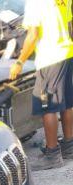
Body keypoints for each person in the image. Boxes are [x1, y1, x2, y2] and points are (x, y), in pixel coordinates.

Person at [10, 0, 73, 170]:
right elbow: (69, 23)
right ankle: (69, 147)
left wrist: (20, 61)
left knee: (47, 106)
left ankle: (52, 155)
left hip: (49, 58)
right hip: (66, 54)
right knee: (66, 102)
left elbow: (33, 34)